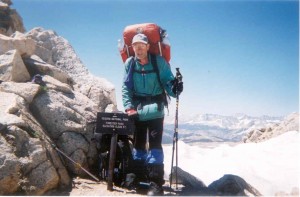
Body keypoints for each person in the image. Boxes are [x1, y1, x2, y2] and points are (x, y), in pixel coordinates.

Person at [122, 33, 183, 195]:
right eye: (135, 46)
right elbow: (126, 87)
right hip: (137, 111)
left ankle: (156, 184)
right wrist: (129, 107)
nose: (139, 49)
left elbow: (168, 82)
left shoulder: (159, 62)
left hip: (156, 111)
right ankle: (137, 178)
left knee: (155, 147)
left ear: (148, 47)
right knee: (138, 146)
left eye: (142, 45)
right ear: (132, 47)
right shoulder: (130, 63)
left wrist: (175, 89)